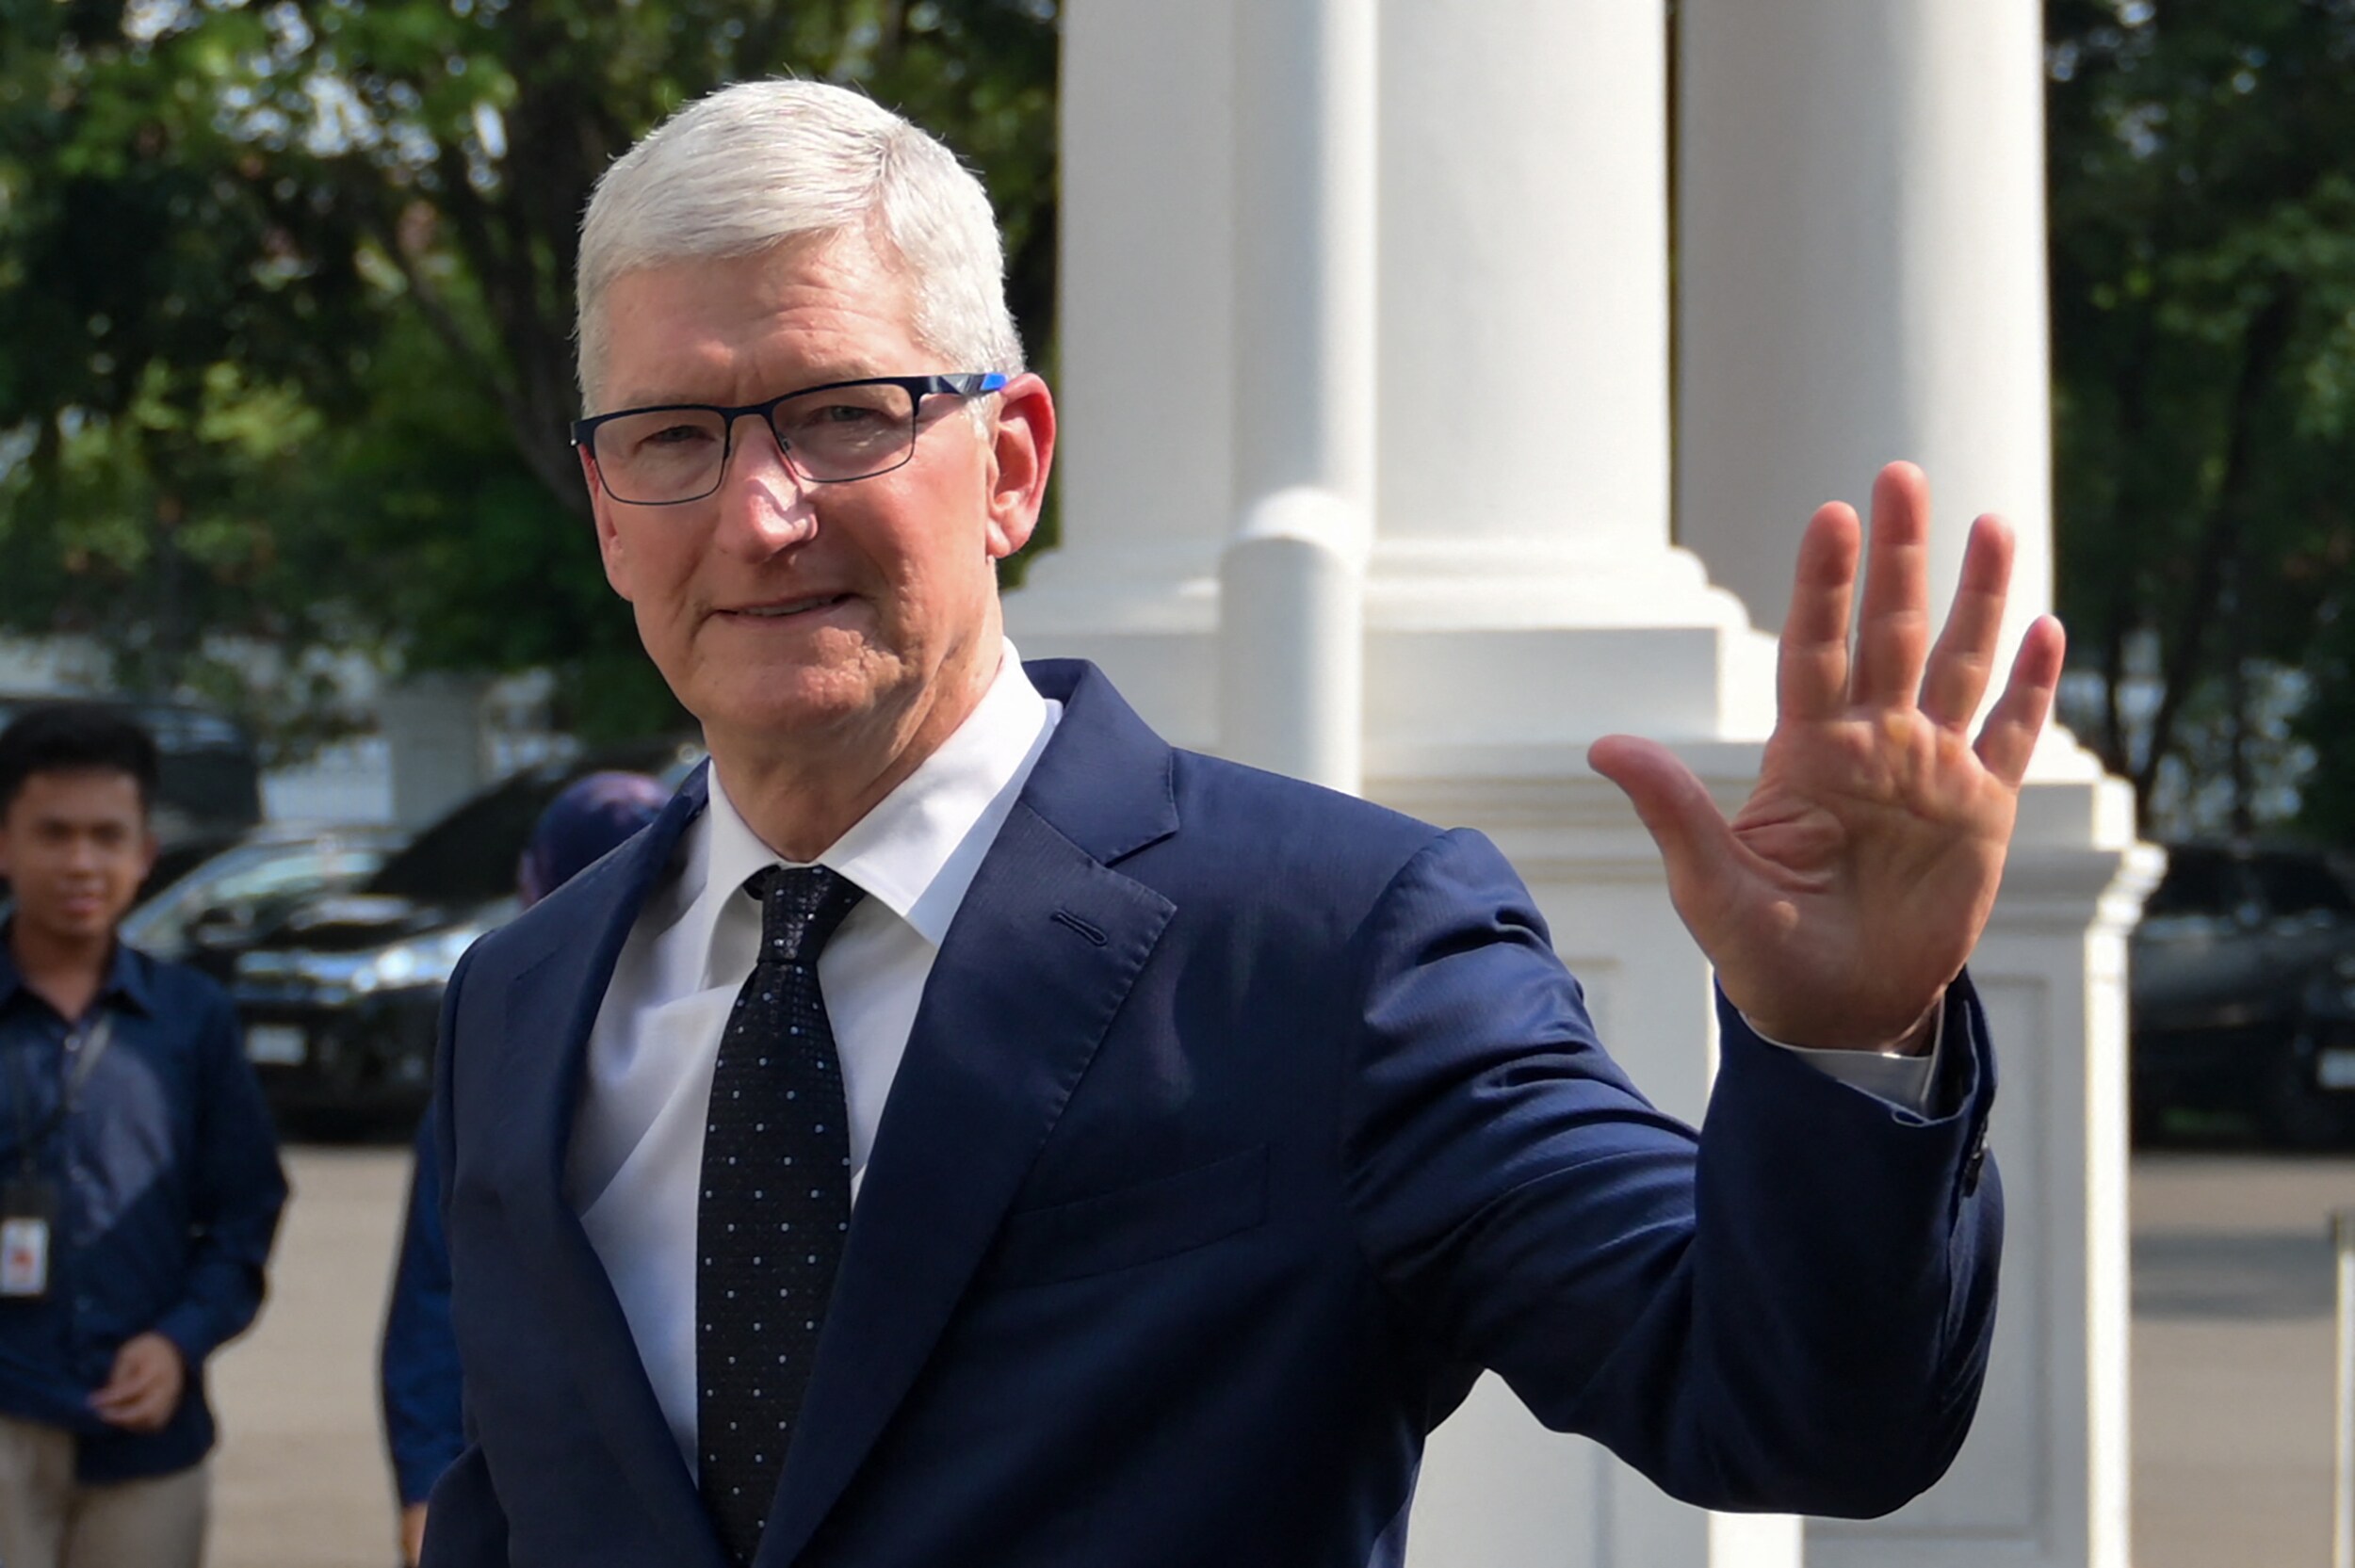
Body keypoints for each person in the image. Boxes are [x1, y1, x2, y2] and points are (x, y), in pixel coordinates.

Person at [422, 81, 2065, 1568]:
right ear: (607, 511)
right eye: (673, 437)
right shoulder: (525, 996)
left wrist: (1849, 1045)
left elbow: (1789, 1413)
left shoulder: (1340, 948)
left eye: (843, 413)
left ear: (1012, 464)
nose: (761, 512)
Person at [0, 703, 288, 1568]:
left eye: (107, 836)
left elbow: (244, 1210)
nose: (81, 862)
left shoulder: (193, 1019)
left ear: (144, 853)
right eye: (54, 833)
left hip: (149, 1437)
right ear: (4, 844)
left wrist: (179, 1340)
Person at [380, 769, 670, 1566]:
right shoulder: (497, 1049)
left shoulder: (752, 1028)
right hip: (539, 1489)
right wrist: (427, 1482)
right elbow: (439, 1295)